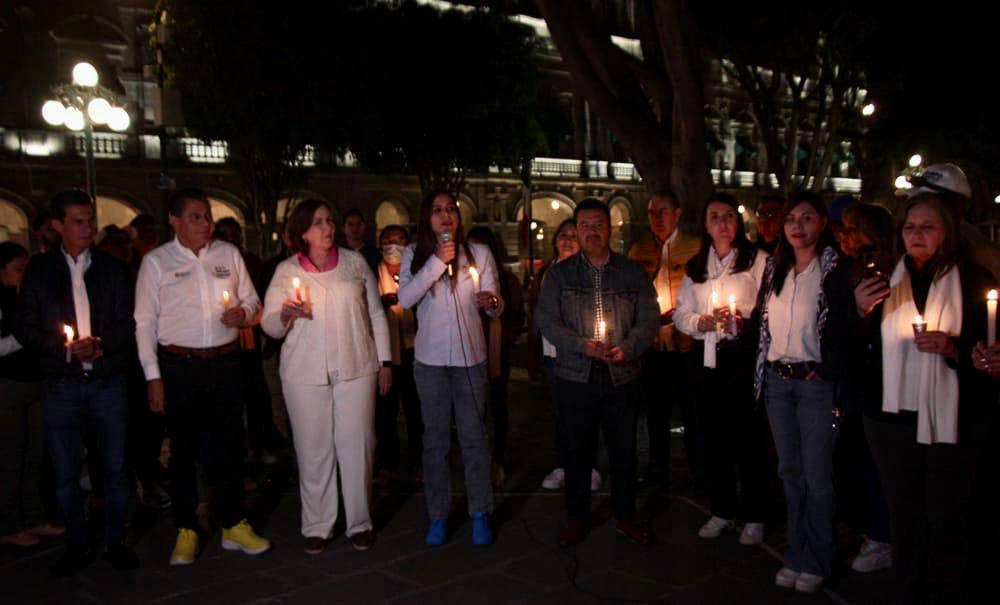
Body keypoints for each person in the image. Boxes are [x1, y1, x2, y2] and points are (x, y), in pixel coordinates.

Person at [853, 193, 996, 604]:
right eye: (910, 227)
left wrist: (953, 348)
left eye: (927, 226)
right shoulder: (881, 278)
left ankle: (951, 589)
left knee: (951, 514)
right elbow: (849, 345)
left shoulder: (973, 279)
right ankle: (910, 589)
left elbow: (985, 348)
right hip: (891, 418)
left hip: (955, 417)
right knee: (906, 514)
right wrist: (858, 312)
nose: (916, 234)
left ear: (947, 232)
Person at [135, 187, 271, 566]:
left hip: (225, 364)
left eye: (207, 215)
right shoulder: (157, 262)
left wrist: (242, 314)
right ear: (175, 221)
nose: (205, 223)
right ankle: (187, 528)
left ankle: (233, 523)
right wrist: (153, 376)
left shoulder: (228, 254)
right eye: (195, 216)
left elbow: (253, 301)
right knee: (183, 451)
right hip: (180, 366)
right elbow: (144, 321)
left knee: (229, 446)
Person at [15, 189, 138, 575]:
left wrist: (100, 345)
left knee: (115, 467)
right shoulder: (39, 270)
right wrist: (66, 349)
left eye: (90, 220)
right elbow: (25, 326)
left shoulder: (113, 269)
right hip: (61, 384)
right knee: (66, 470)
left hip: (107, 381)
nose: (88, 228)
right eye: (78, 221)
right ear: (58, 226)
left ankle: (115, 540)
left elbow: (128, 323)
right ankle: (78, 542)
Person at [261, 199, 392, 555]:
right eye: (318, 222)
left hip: (356, 366)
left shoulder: (354, 263)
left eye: (329, 220)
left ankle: (360, 522)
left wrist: (385, 361)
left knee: (358, 445)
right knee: (313, 448)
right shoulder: (288, 272)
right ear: (302, 232)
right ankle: (317, 524)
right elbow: (270, 326)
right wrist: (285, 314)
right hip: (304, 372)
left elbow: (377, 315)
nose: (328, 228)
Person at [536, 198, 659, 547]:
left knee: (624, 450)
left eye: (599, 224)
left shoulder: (631, 272)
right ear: (577, 229)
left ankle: (625, 514)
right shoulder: (561, 275)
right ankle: (576, 518)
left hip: (622, 374)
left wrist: (629, 347)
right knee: (577, 451)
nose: (592, 231)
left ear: (610, 227)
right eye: (585, 226)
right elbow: (546, 320)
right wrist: (581, 344)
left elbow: (649, 318)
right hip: (576, 375)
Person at [746, 191, 848, 593]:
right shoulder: (775, 268)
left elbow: (842, 328)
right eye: (792, 218)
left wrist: (825, 369)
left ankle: (820, 557)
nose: (797, 226)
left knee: (817, 475)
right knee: (789, 472)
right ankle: (796, 551)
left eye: (807, 218)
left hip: (814, 385)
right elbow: (763, 324)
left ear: (822, 223)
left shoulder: (835, 269)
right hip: (777, 381)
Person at [398, 190, 504, 546]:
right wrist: (437, 262)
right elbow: (406, 299)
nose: (446, 216)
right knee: (436, 441)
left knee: (474, 438)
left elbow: (494, 302)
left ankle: (479, 512)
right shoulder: (414, 254)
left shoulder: (480, 253)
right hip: (430, 362)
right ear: (427, 218)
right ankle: (438, 515)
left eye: (451, 210)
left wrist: (490, 302)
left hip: (470, 360)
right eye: (438, 210)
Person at [674, 192, 769, 546]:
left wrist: (744, 321)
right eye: (715, 217)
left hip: (743, 359)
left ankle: (755, 513)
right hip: (707, 358)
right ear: (705, 225)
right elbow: (682, 313)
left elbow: (767, 306)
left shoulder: (757, 260)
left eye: (729, 216)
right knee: (714, 437)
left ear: (738, 222)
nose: (723, 223)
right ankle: (722, 510)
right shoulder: (697, 266)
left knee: (749, 437)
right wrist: (702, 320)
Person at [834, 203, 895, 574]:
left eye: (855, 230)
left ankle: (883, 535)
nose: (847, 237)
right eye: (843, 229)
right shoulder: (845, 272)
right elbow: (840, 330)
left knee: (879, 464)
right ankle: (871, 528)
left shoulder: (889, 272)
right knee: (856, 460)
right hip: (856, 383)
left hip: (885, 385)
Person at [628, 191, 704, 487]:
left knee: (692, 409)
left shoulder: (695, 248)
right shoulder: (638, 251)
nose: (657, 219)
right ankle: (658, 469)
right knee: (655, 410)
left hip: (686, 343)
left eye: (663, 212)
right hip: (653, 344)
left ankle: (699, 469)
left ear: (677, 213)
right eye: (651, 213)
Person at [214, 217, 285, 466]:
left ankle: (259, 443)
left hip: (250, 339)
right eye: (225, 234)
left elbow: (260, 298)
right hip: (223, 345)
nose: (232, 239)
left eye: (236, 235)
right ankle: (234, 455)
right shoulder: (212, 264)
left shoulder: (251, 263)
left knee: (257, 395)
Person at [537, 219, 601, 492]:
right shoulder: (546, 273)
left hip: (581, 354)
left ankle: (591, 466)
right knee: (561, 413)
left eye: (574, 236)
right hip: (552, 354)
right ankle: (564, 464)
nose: (567, 240)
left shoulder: (588, 273)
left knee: (587, 412)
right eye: (563, 235)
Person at [467, 226, 525, 489]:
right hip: (468, 351)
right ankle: (476, 461)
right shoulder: (462, 278)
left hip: (496, 350)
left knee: (498, 405)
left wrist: (502, 340)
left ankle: (497, 459)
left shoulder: (507, 281)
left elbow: (515, 316)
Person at [0, 243, 45, 547]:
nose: (25, 274)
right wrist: (26, 335)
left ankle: (34, 516)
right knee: (10, 455)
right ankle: (9, 524)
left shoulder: (28, 298)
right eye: (19, 268)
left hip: (36, 380)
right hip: (9, 384)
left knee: (35, 453)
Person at [373, 224, 423, 487]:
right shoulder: (372, 274)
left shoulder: (415, 272)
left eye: (400, 240)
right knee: (386, 412)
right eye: (389, 241)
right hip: (386, 354)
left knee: (416, 410)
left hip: (415, 349)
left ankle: (418, 462)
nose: (394, 246)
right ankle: (389, 464)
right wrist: (381, 303)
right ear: (381, 245)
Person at [899, 162, 1000, 280]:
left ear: (955, 205)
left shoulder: (979, 255)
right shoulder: (908, 261)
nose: (920, 207)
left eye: (929, 199)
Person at [342, 208, 381, 275]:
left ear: (364, 226)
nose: (355, 228)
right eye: (350, 225)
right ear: (343, 228)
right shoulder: (338, 253)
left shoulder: (374, 254)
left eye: (359, 224)